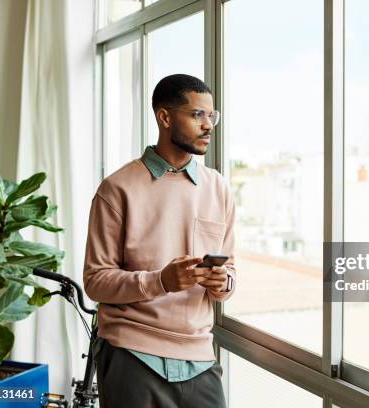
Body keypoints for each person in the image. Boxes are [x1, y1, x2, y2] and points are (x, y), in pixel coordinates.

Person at [83, 74, 235, 408]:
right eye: (197, 115)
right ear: (164, 118)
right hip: (132, 355)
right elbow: (95, 282)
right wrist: (161, 281)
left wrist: (223, 281)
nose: (208, 125)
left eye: (213, 116)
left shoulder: (218, 188)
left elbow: (231, 273)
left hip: (200, 357)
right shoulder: (117, 189)